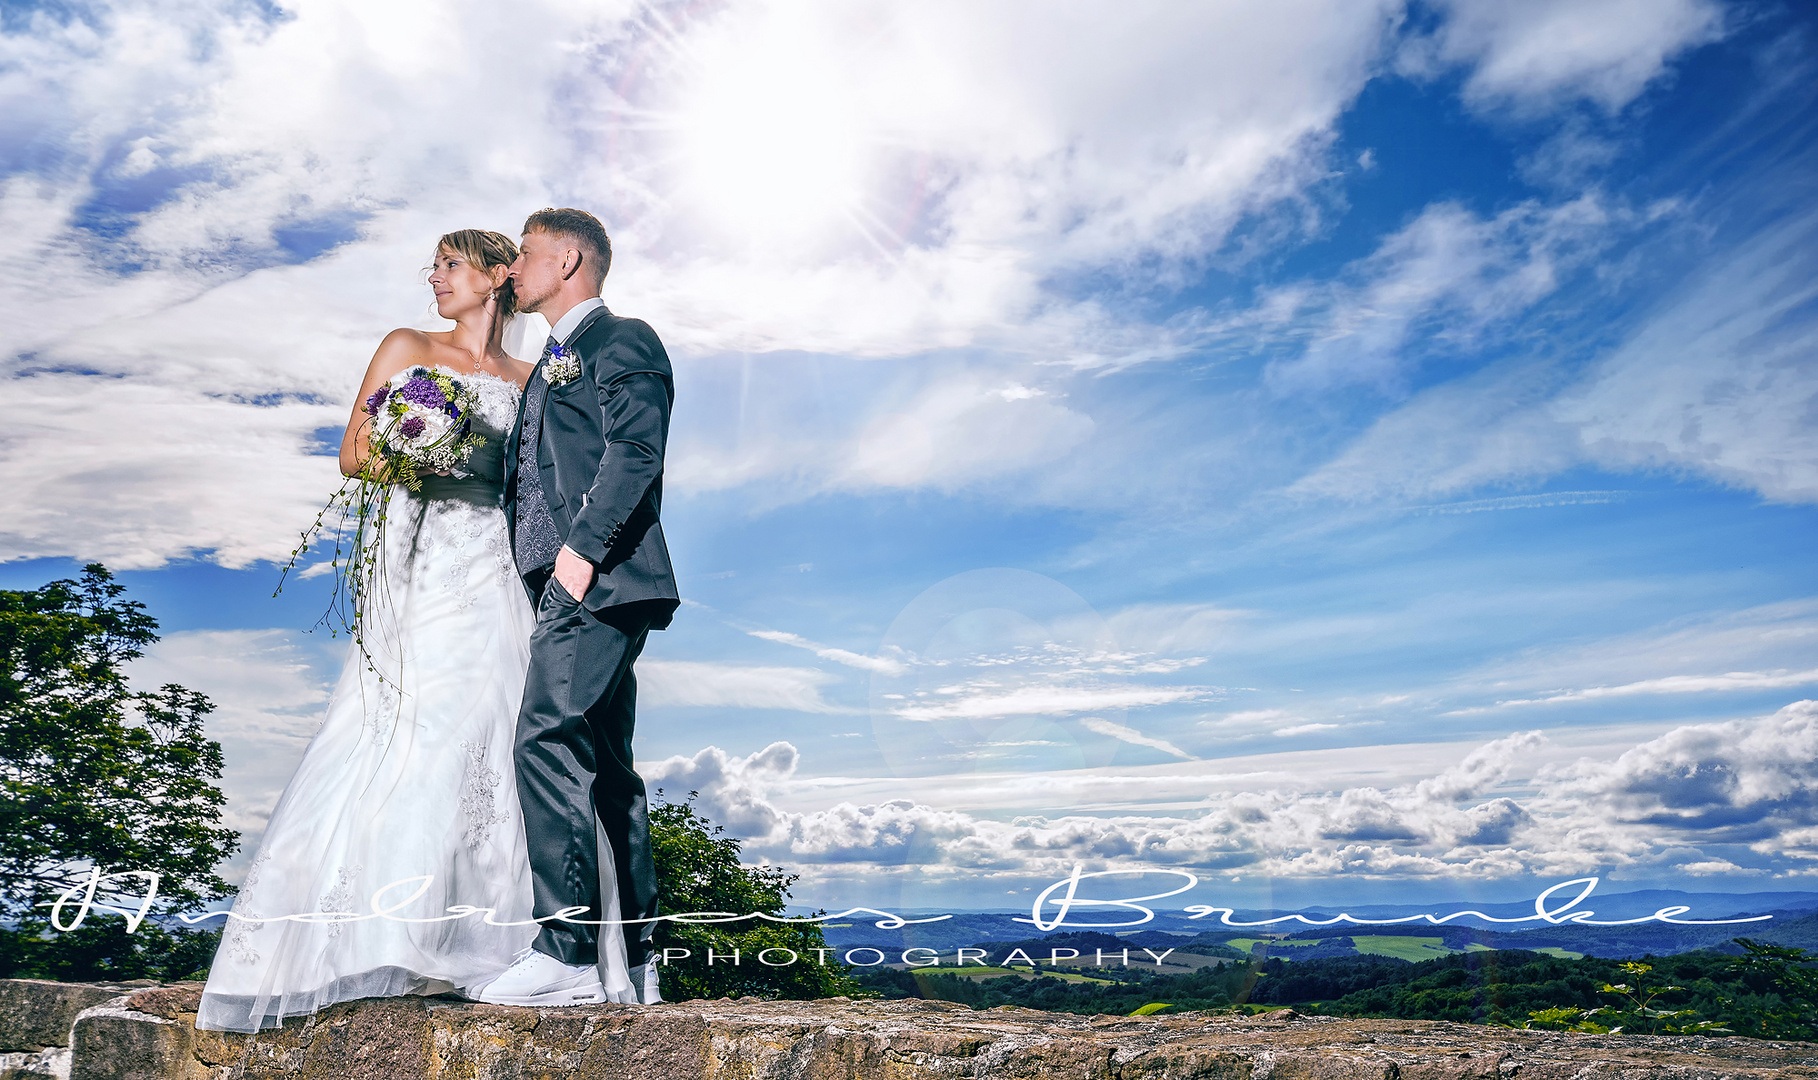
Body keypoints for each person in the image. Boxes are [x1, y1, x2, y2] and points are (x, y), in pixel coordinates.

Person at [196, 230, 553, 1032]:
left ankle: (482, 943)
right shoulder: (406, 345)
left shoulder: (531, 381)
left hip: (491, 564)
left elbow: (533, 486)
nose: (435, 278)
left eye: (450, 265)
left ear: (497, 277)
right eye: (433, 266)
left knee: (490, 723)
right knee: (404, 725)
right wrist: (417, 452)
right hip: (420, 561)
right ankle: (377, 940)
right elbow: (355, 455)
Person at [466, 208, 679, 1007]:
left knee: (544, 735)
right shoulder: (550, 360)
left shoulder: (622, 338)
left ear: (569, 259)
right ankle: (641, 961)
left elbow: (634, 451)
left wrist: (581, 555)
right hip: (562, 583)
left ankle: (568, 953)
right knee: (610, 772)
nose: (513, 269)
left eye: (524, 254)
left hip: (601, 577)